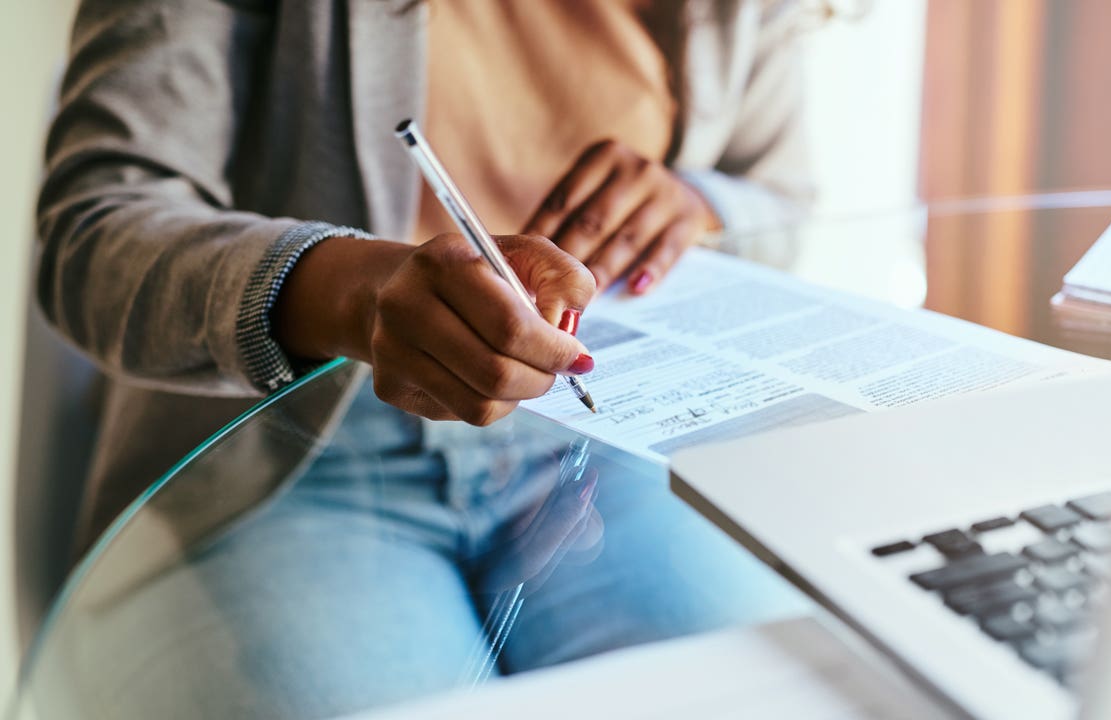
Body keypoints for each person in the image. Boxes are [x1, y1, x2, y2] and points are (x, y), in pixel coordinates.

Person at [37, 0, 817, 716]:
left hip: (606, 448)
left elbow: (785, 197)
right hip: (279, 463)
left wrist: (697, 207)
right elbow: (92, 231)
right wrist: (352, 294)